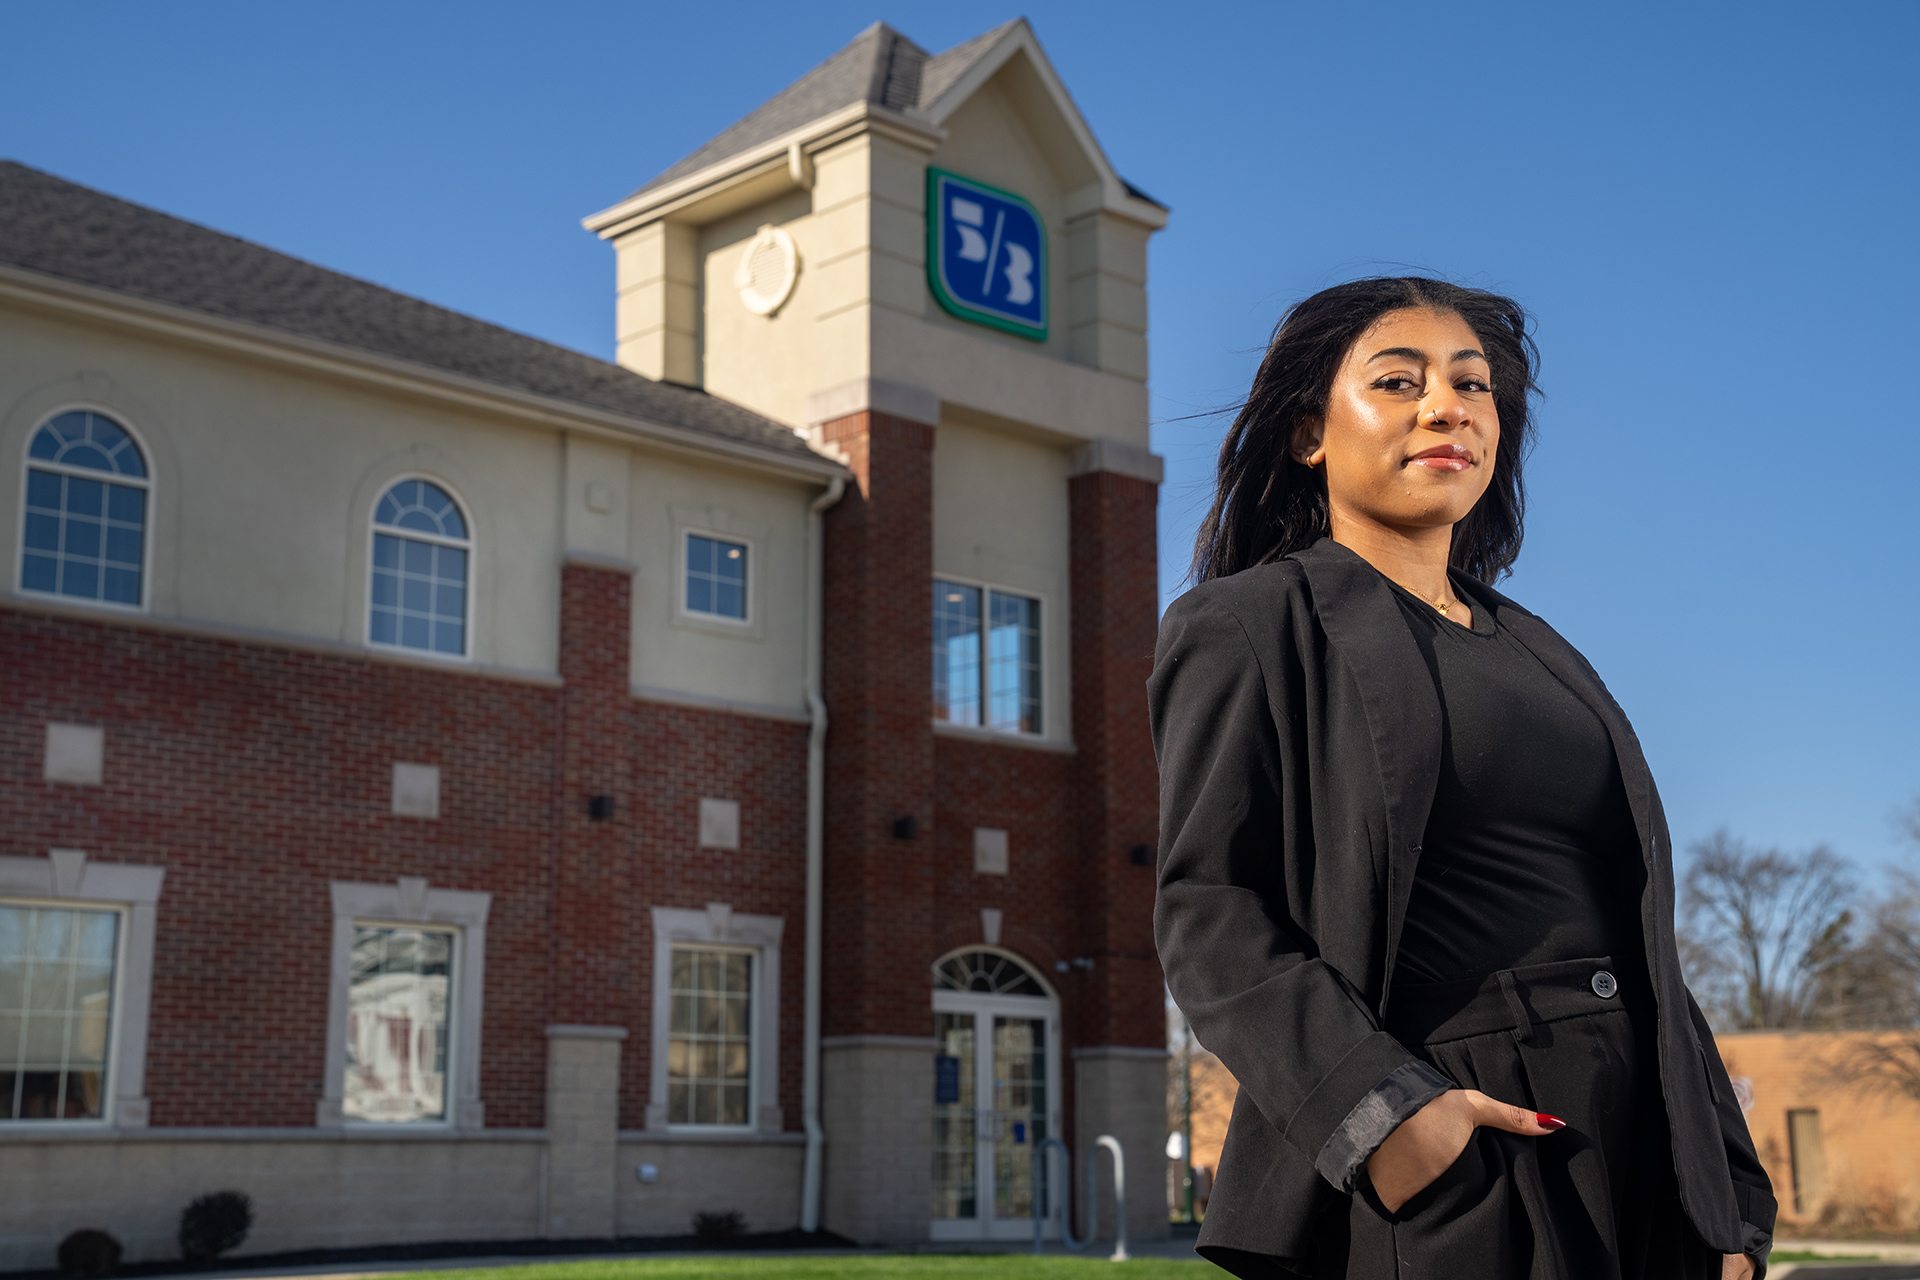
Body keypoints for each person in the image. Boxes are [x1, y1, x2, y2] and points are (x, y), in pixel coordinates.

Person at [1146, 277, 1776, 1280]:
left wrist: (1729, 1203)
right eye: (1398, 381)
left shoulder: (1541, 649)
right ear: (1310, 431)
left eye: (1473, 386)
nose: (1448, 407)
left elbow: (1641, 931)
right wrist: (1389, 1116)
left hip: (1647, 1154)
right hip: (1463, 1136)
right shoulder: (1251, 625)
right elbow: (1210, 909)